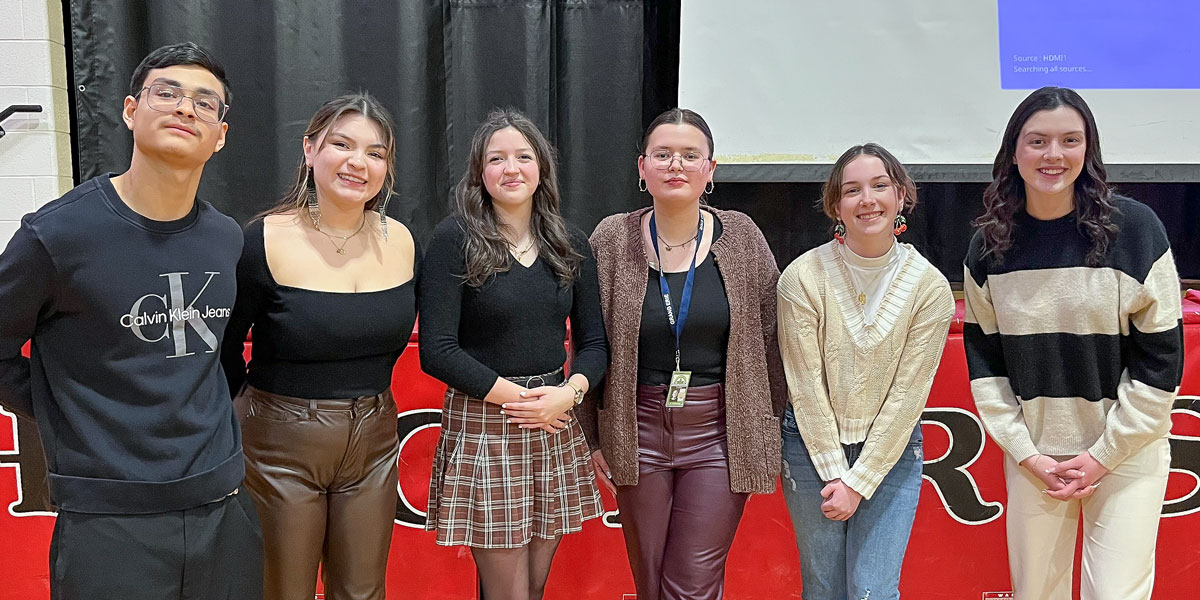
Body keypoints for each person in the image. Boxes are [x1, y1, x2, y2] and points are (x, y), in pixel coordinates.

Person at [0, 43, 261, 599]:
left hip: (224, 510)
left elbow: (215, 358)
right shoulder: (57, 236)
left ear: (220, 136)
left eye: (205, 103)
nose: (185, 108)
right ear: (129, 110)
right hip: (109, 523)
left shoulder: (225, 238)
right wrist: (60, 407)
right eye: (166, 93)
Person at [964, 86, 1183, 600]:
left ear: (1088, 150)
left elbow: (1161, 362)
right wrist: (1028, 454)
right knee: (1036, 592)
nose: (1054, 155)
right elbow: (986, 368)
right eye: (1037, 141)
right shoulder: (988, 247)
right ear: (1014, 151)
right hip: (1036, 459)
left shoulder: (1137, 231)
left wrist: (1105, 454)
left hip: (1125, 455)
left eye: (1069, 140)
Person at [580, 108, 786, 600]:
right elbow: (590, 344)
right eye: (663, 154)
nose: (676, 165)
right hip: (636, 428)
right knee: (651, 583)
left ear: (709, 170)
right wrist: (590, 439)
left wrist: (766, 420)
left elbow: (773, 338)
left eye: (690, 155)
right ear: (642, 167)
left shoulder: (742, 237)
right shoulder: (610, 240)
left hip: (721, 430)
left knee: (690, 583)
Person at [220, 93, 417, 600]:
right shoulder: (262, 239)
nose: (358, 162)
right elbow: (221, 349)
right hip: (279, 445)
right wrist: (258, 414)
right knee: (282, 590)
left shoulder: (402, 240)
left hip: (374, 441)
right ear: (310, 150)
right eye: (342, 144)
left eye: (376, 152)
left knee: (363, 591)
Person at [419, 108, 608, 600]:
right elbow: (437, 351)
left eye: (523, 156)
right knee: (509, 593)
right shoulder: (454, 240)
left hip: (553, 420)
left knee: (535, 586)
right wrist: (520, 401)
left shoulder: (569, 244)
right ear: (480, 172)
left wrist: (569, 393)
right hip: (488, 421)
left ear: (540, 167)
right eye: (496, 158)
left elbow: (594, 345)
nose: (511, 168)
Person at [776, 143, 954, 599]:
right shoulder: (802, 278)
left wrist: (858, 482)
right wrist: (835, 473)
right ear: (836, 205)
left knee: (873, 590)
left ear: (900, 197)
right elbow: (805, 387)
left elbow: (907, 396)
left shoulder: (930, 287)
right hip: (810, 448)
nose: (867, 200)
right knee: (823, 589)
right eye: (852, 190)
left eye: (879, 186)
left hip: (891, 452)